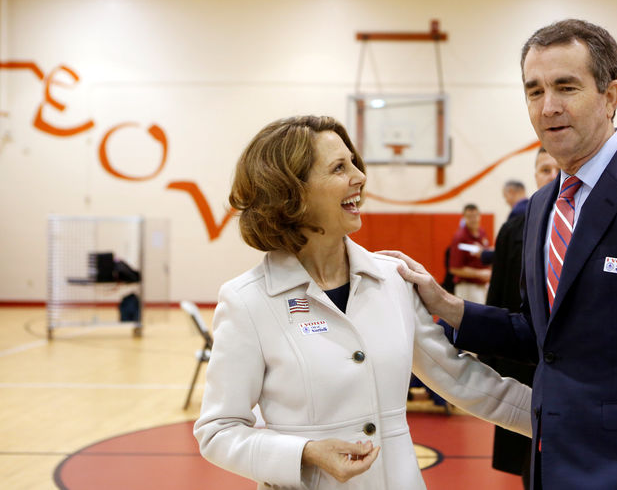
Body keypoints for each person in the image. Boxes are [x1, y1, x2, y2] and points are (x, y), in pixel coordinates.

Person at [381, 19, 617, 490]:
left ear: (611, 96)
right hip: (553, 466)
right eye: (534, 91)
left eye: (566, 87)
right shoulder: (540, 208)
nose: (548, 107)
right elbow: (546, 337)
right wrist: (449, 305)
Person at [193, 115, 532, 490]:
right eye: (339, 167)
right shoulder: (246, 301)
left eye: (354, 162)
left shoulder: (393, 279)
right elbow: (218, 431)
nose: (360, 176)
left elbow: (460, 379)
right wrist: (304, 452)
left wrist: (558, 420)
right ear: (292, 192)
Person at [481, 148, 559, 489]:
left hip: (575, 366)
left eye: (557, 167)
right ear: (535, 175)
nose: (552, 175)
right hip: (523, 359)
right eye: (544, 169)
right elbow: (497, 294)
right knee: (528, 454)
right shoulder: (515, 227)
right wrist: (489, 359)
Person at [448, 204, 491, 303]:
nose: (473, 219)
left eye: (475, 216)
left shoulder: (482, 233)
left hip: (482, 285)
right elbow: (454, 268)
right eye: (469, 217)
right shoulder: (460, 237)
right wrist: (479, 274)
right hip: (467, 287)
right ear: (464, 218)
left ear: (480, 216)